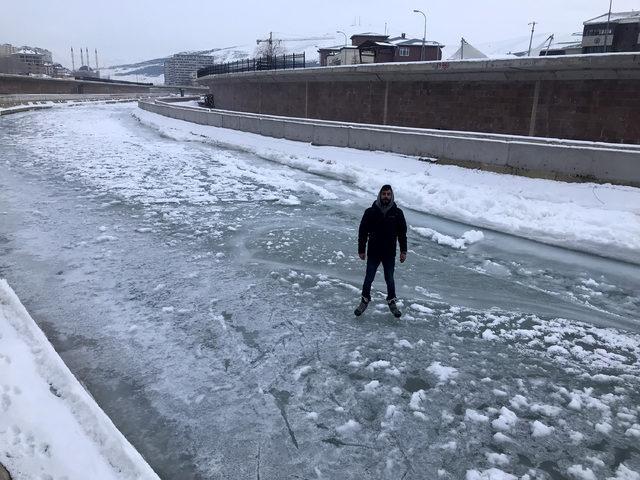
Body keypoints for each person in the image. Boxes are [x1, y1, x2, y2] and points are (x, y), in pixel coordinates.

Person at [355, 185, 407, 318]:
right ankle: (364, 300)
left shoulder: (397, 213)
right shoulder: (370, 212)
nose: (386, 196)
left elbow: (402, 234)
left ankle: (391, 301)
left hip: (389, 253)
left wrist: (403, 251)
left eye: (388, 194)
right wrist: (361, 249)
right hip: (373, 252)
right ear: (379, 195)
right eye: (383, 194)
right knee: (369, 278)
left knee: (389, 279)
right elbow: (362, 232)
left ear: (392, 196)